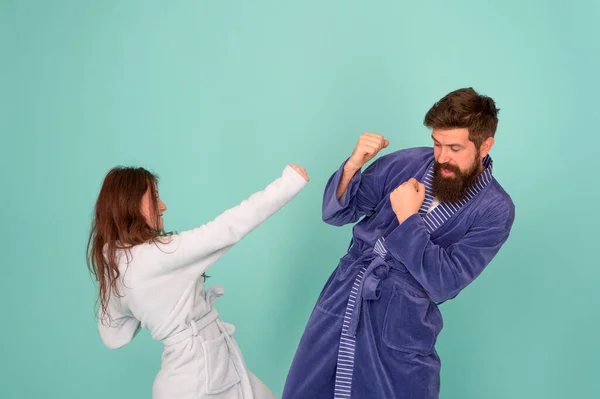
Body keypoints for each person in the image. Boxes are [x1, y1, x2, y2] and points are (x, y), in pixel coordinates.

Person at [282, 87, 515, 399]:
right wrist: (354, 165)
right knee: (312, 388)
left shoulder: (495, 209)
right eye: (437, 144)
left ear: (485, 145)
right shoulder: (405, 163)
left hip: (401, 320)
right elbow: (339, 214)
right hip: (346, 292)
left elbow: (444, 283)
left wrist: (408, 219)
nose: (442, 157)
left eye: (455, 148)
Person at [87, 163, 309, 399]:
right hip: (200, 379)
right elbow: (228, 227)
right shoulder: (160, 255)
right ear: (130, 203)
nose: (162, 206)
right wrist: (288, 184)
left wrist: (156, 311)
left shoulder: (116, 266)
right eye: (154, 196)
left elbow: (112, 335)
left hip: (199, 374)